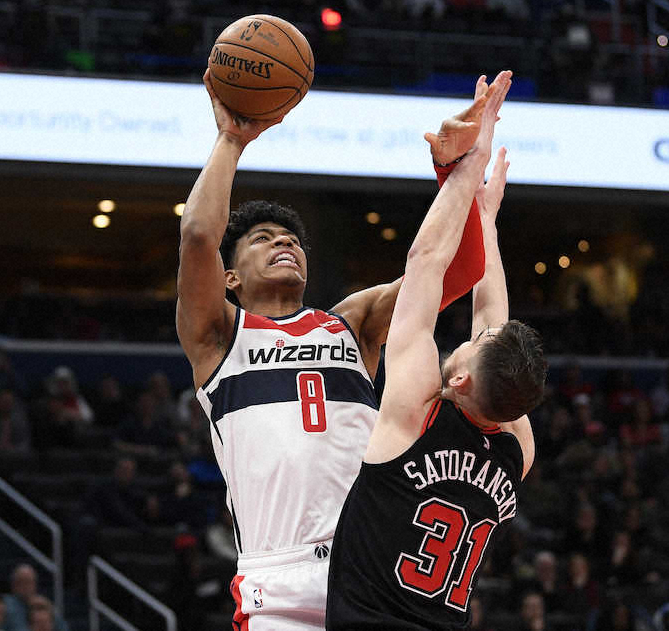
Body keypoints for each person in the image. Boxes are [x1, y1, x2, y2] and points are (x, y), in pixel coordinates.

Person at [177, 65, 500, 628]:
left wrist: (454, 172)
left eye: (291, 239)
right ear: (230, 277)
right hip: (279, 578)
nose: (283, 242)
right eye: (262, 239)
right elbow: (199, 235)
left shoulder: (351, 323)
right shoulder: (219, 336)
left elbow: (459, 270)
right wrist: (232, 139)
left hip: (372, 563)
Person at [327, 71, 547, 628]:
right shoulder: (517, 449)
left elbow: (425, 263)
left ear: (462, 381)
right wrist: (484, 218)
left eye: (476, 345)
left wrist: (467, 168)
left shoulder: (416, 414)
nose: (473, 335)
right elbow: (492, 319)